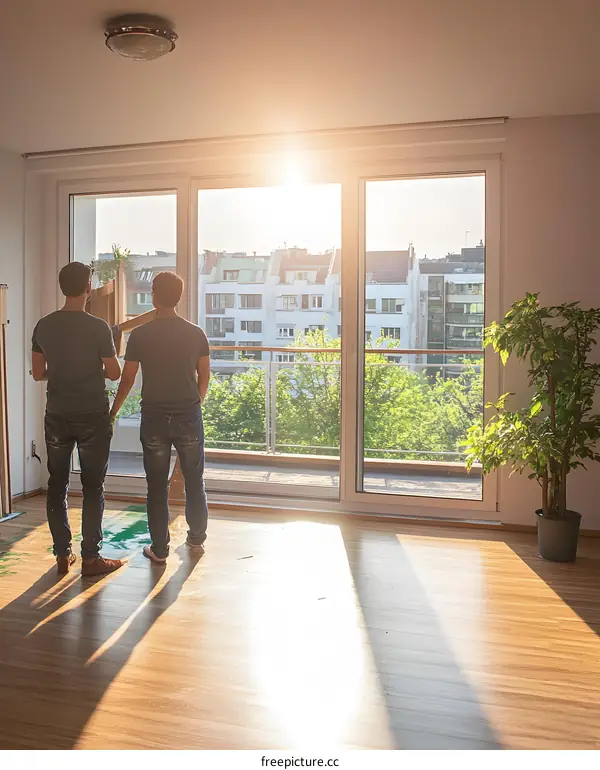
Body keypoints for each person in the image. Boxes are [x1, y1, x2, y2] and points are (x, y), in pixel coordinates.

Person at [110, 271, 210, 564]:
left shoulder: (141, 335)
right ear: (178, 296)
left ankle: (160, 549)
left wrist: (113, 412)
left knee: (156, 485)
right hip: (188, 414)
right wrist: (195, 403)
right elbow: (204, 374)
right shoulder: (196, 333)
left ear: (153, 296)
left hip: (154, 417)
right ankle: (196, 539)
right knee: (194, 481)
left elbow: (127, 379)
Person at [31, 262, 124, 576]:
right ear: (88, 289)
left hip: (57, 414)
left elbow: (37, 373)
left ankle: (61, 554)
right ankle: (91, 558)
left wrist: (63, 370)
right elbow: (114, 373)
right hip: (92, 415)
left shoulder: (44, 326)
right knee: (93, 486)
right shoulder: (98, 327)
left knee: (57, 485)